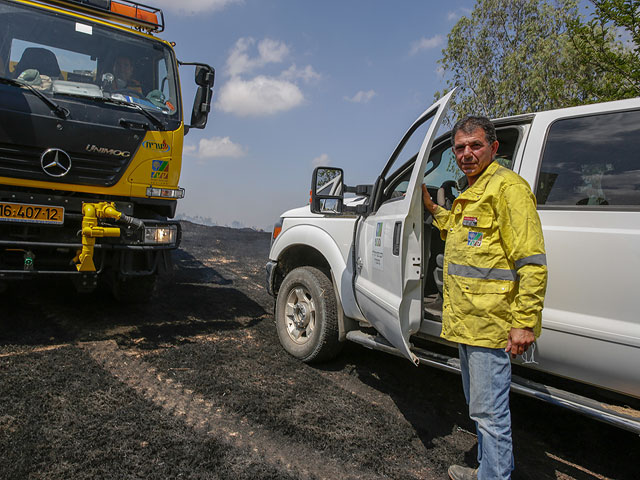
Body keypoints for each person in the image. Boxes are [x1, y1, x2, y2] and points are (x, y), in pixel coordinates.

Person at [422, 116, 548, 480]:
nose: (467, 153)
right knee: (480, 409)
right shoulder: (473, 191)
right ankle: (488, 470)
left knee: (491, 414)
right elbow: (463, 234)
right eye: (460, 147)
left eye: (475, 145)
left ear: (493, 148)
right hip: (467, 321)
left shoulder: (509, 189)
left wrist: (524, 321)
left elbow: (532, 262)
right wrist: (432, 208)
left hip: (491, 324)